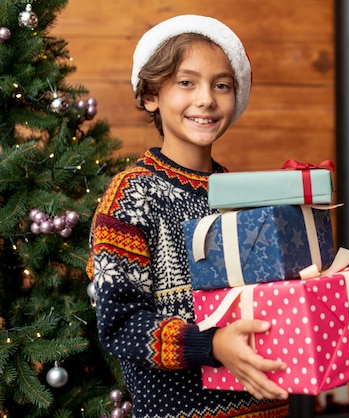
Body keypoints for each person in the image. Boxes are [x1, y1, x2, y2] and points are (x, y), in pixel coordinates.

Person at [87, 14, 290, 418]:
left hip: (266, 407)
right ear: (150, 95)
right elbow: (120, 324)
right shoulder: (131, 194)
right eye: (186, 82)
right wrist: (210, 345)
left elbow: (263, 298)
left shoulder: (240, 194)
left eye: (221, 85)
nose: (207, 99)